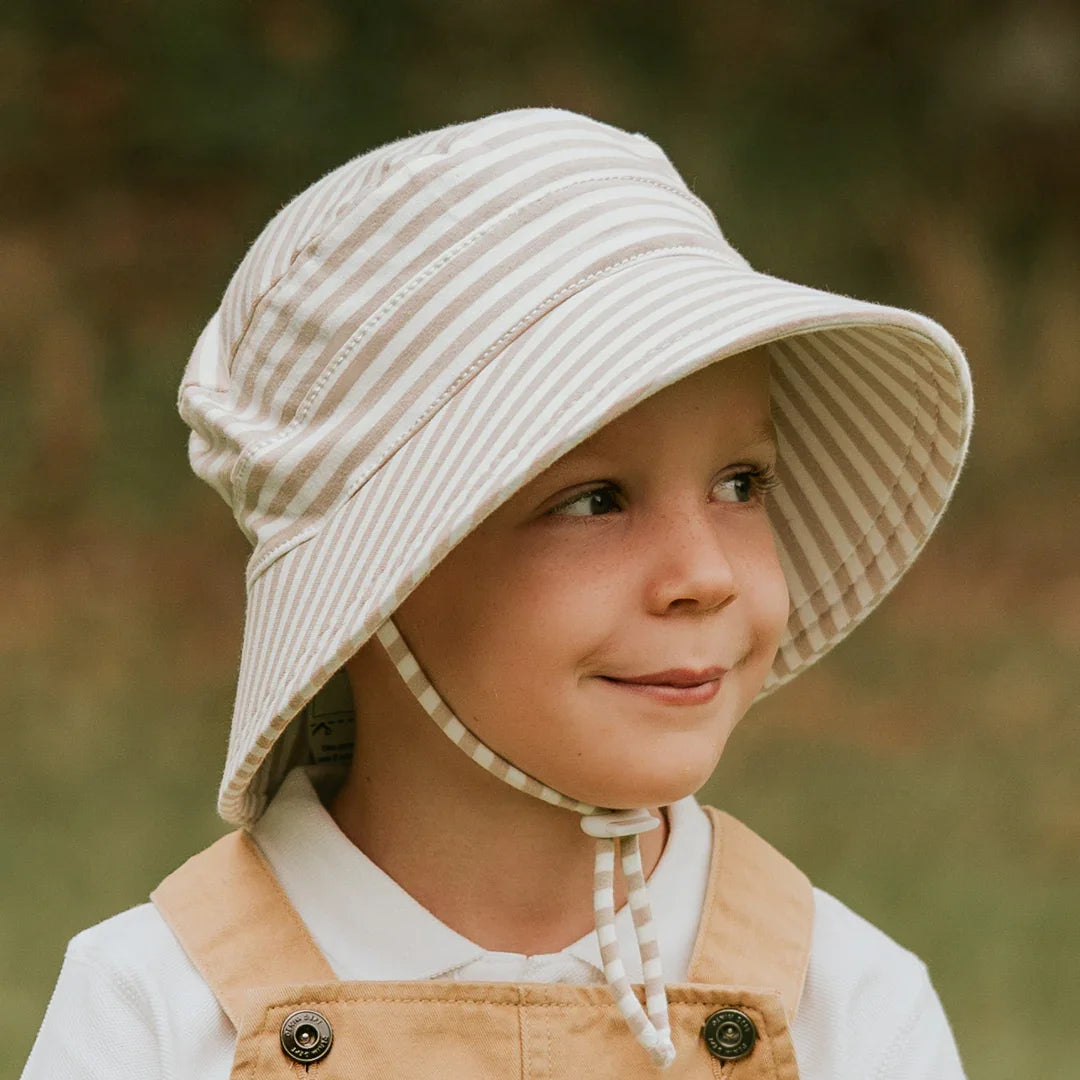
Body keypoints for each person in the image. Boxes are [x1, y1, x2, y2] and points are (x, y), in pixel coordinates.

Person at [21, 107, 973, 1079]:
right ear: (378, 578)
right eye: (596, 500)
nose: (707, 574)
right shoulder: (158, 1011)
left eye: (741, 484)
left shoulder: (842, 1006)